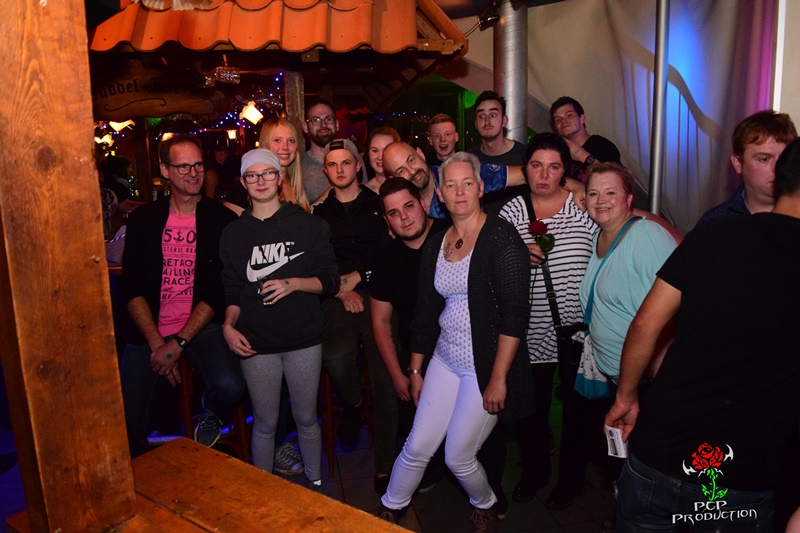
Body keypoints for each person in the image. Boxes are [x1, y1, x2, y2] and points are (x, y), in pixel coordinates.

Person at [605, 137, 800, 532]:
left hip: (658, 454)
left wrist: (626, 397)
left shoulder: (716, 232)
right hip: (740, 476)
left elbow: (645, 323)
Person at [377, 152, 533, 533]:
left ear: (480, 188)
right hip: (444, 360)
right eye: (450, 185)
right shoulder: (437, 244)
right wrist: (416, 370)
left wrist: (498, 378)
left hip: (486, 365)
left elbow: (515, 316)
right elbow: (426, 313)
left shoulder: (502, 238)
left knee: (458, 456)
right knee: (416, 445)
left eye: (467, 183)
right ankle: (388, 510)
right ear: (440, 195)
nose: (459, 192)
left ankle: (486, 505)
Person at [219, 148, 338, 494]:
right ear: (243, 182)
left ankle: (316, 488)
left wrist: (293, 284)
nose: (261, 181)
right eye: (252, 175)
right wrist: (228, 326)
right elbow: (233, 290)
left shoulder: (309, 225)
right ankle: (264, 496)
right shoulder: (233, 234)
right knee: (265, 423)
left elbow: (331, 281)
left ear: (280, 177)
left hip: (303, 339)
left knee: (306, 419)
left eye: (267, 173)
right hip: (256, 343)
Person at [120, 133, 246, 457]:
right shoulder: (143, 220)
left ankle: (212, 412)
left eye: (198, 165)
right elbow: (131, 288)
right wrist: (157, 345)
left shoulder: (221, 220)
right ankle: (145, 476)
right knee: (126, 421)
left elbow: (216, 291)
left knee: (231, 386)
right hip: (150, 330)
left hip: (200, 325)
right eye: (184, 167)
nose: (194, 173)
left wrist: (177, 344)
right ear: (165, 170)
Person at [498, 133, 597, 508]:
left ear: (564, 171)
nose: (543, 175)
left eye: (553, 167)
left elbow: (607, 245)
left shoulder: (582, 207)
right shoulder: (513, 212)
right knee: (531, 411)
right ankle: (535, 471)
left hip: (579, 333)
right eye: (536, 166)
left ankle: (571, 480)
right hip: (530, 329)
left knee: (577, 412)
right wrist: (515, 255)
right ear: (525, 169)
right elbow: (493, 263)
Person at [312, 139, 395, 479]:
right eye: (333, 164)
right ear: (325, 170)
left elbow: (390, 250)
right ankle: (355, 403)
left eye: (346, 162)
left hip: (380, 292)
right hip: (337, 296)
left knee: (386, 375)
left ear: (358, 165)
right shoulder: (319, 213)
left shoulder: (379, 204)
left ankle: (387, 465)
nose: (340, 169)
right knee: (336, 357)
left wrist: (359, 277)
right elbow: (316, 261)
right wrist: (340, 290)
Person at [382, 141, 540, 220]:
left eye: (411, 160)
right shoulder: (401, 209)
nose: (412, 171)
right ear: (392, 178)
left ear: (420, 154)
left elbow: (527, 175)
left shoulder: (457, 174)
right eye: (401, 170)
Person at [698, 110, 797, 224]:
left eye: (784, 157)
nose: (777, 167)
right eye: (764, 159)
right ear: (738, 163)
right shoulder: (714, 223)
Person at [468, 91, 529, 210]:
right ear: (476, 124)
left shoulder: (525, 155)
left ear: (504, 121)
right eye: (481, 116)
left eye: (493, 115)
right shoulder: (469, 158)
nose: (487, 121)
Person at [301, 99, 367, 203]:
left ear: (337, 124)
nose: (323, 125)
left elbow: (367, 202)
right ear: (305, 126)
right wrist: (327, 196)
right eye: (316, 120)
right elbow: (295, 212)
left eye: (328, 119)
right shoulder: (298, 168)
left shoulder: (354, 160)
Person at [550, 96, 621, 181]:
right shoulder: (556, 153)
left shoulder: (602, 146)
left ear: (582, 118)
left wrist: (581, 155)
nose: (563, 121)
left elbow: (615, 181)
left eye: (569, 115)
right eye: (558, 119)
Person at [259, 117, 311, 212]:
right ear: (265, 144)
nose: (285, 147)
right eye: (277, 140)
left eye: (291, 141)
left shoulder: (297, 184)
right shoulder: (253, 186)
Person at [364, 127, 401, 194]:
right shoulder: (361, 194)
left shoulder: (411, 186)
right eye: (375, 151)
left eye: (385, 150)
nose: (380, 157)